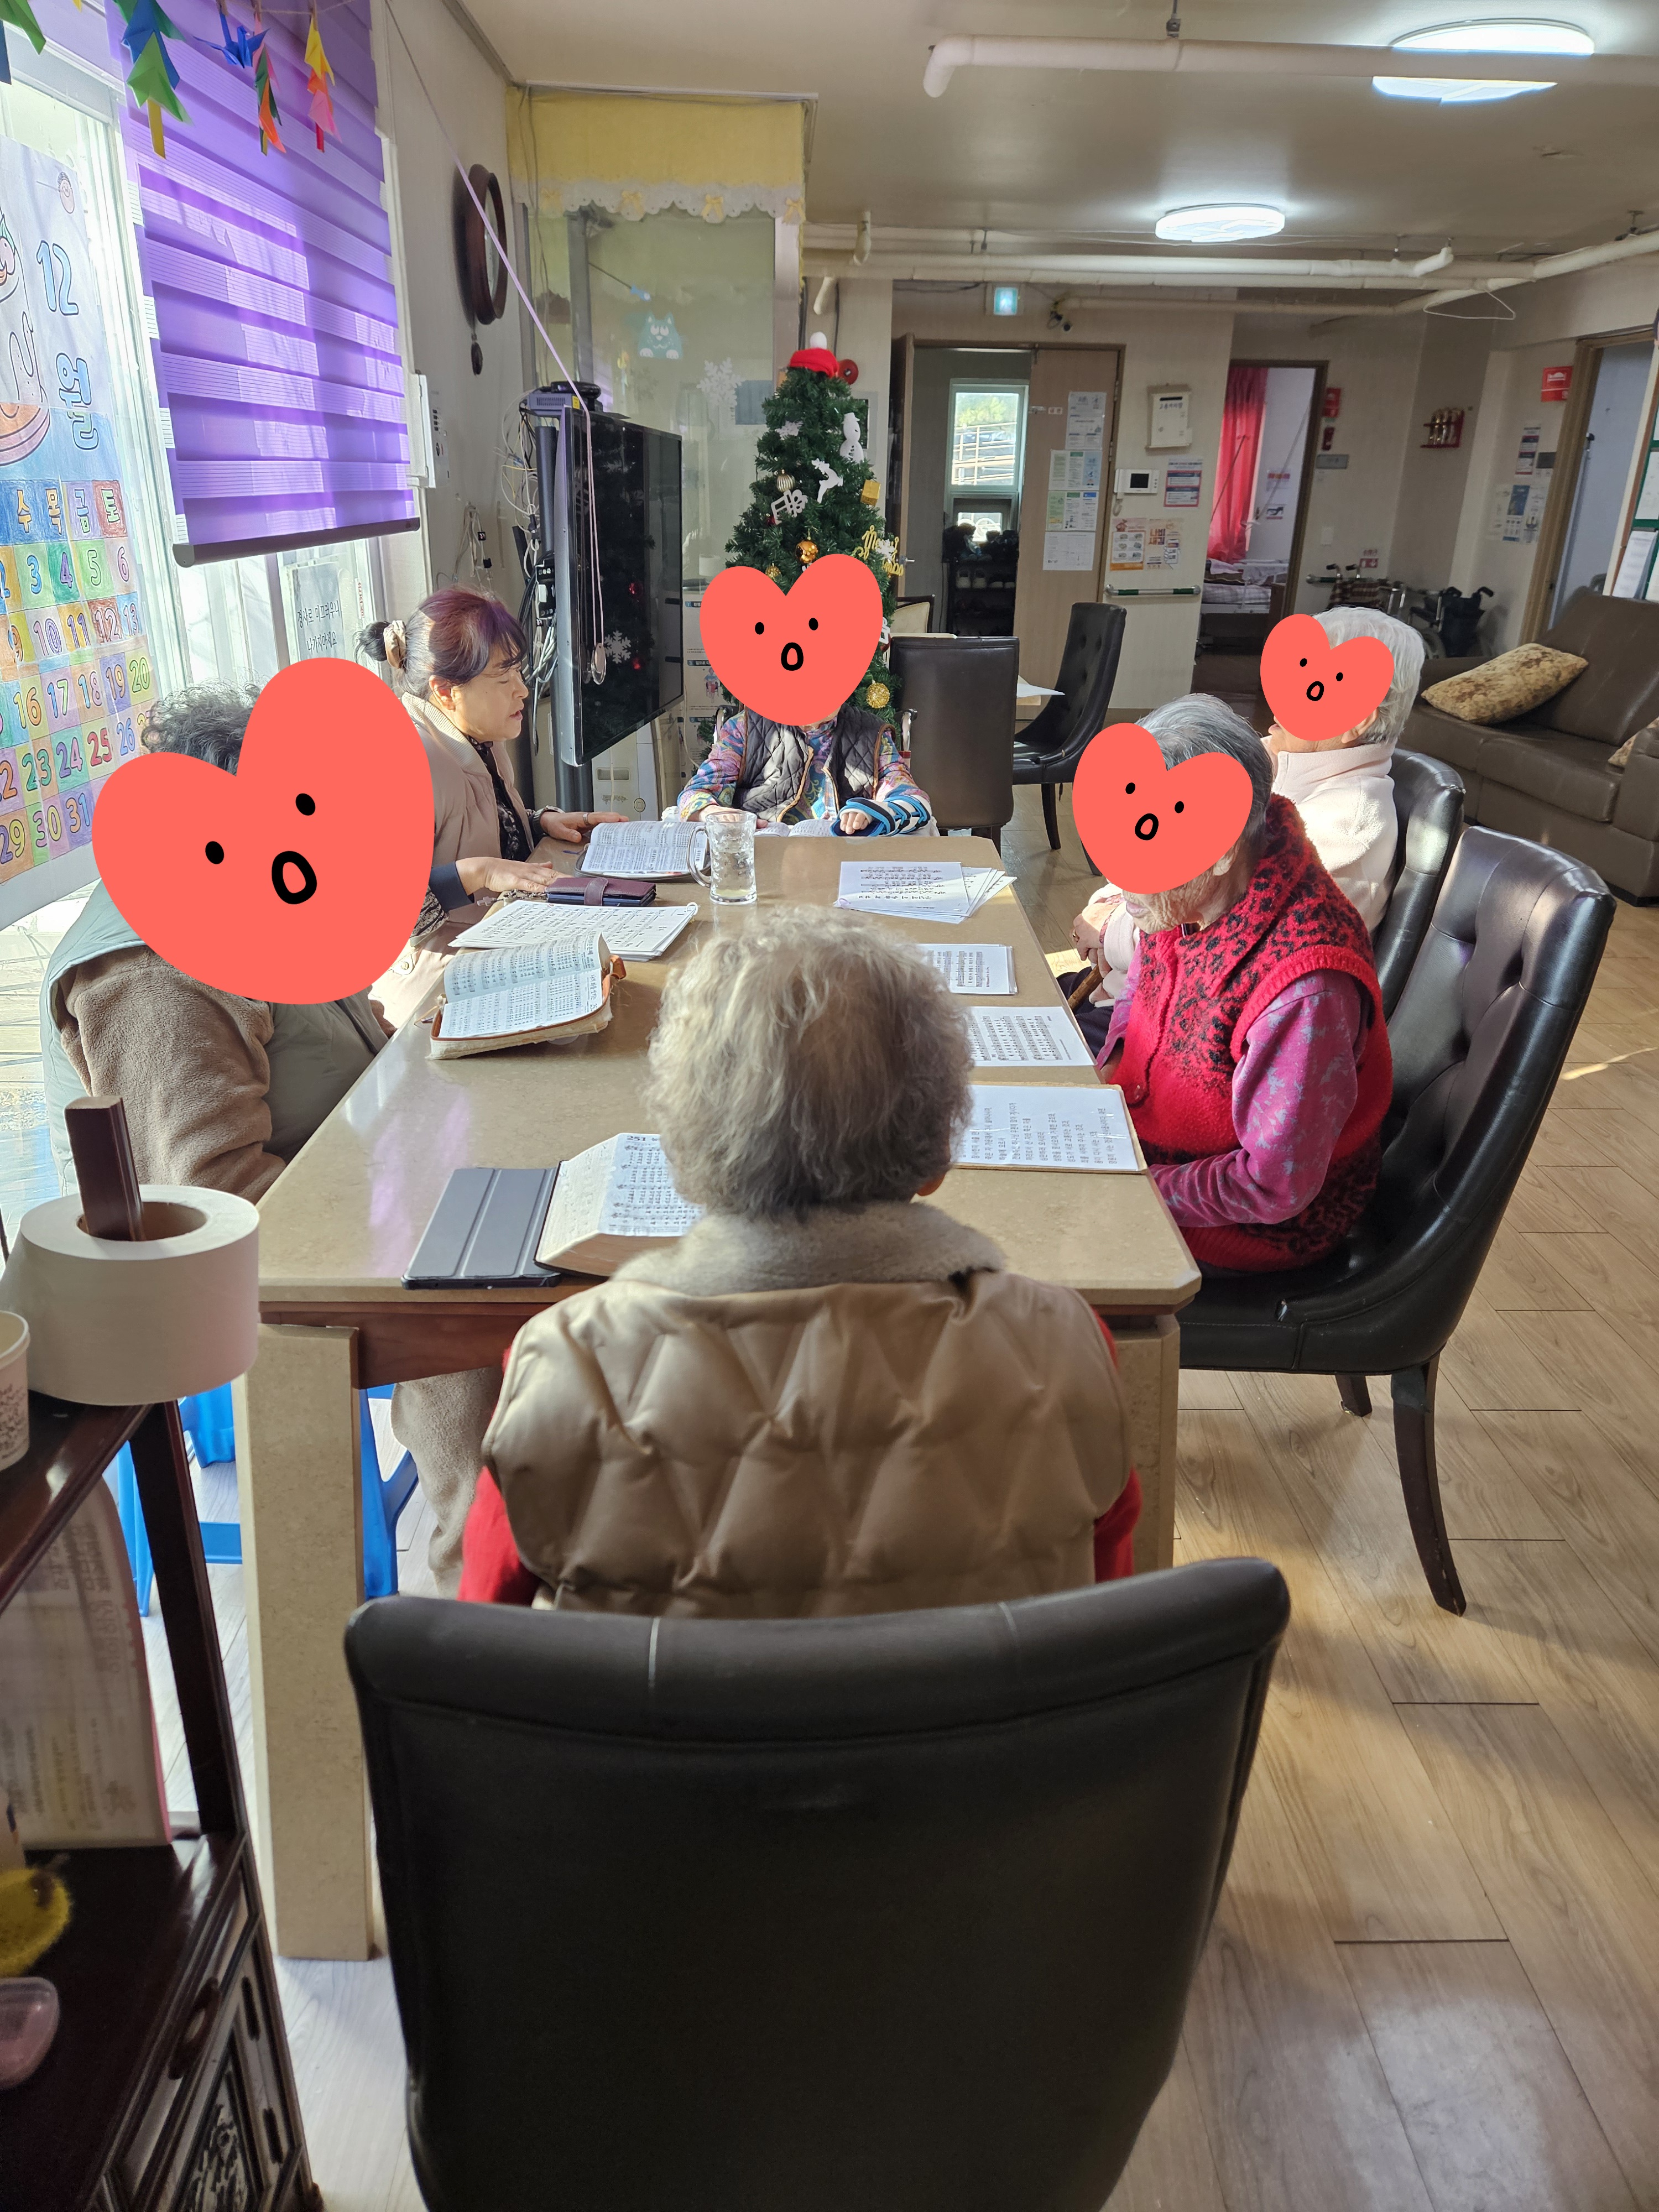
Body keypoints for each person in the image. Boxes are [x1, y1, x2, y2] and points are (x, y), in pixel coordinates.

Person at [460, 910, 1139, 1615]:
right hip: (975, 1691)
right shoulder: (1068, 1350)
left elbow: (479, 1639)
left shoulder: (562, 1371)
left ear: (685, 1152)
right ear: (939, 1148)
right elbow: (1107, 1624)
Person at [41, 684, 491, 1594]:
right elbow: (217, 1210)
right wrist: (412, 1177)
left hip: (342, 1183)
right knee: (482, 1301)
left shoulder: (248, 893)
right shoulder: (154, 972)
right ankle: (477, 1590)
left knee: (506, 1229)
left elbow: (324, 1047)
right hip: (244, 1266)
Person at [1093, 696, 1392, 1275]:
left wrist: (1132, 1185)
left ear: (1221, 850)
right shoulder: (1187, 887)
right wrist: (1106, 1077)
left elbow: (1274, 1184)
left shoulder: (1305, 989)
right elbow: (1141, 993)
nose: (1120, 876)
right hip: (1147, 1151)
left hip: (1245, 1225)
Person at [1068, 606, 1426, 1031]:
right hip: (1125, 989)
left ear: (1356, 718)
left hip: (1174, 1025)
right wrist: (1109, 903)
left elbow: (1218, 940)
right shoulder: (1269, 759)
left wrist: (1109, 930)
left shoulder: (1345, 828)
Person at [360, 588, 624, 1027]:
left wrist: (540, 822)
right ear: (446, 692)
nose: (523, 690)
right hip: (436, 996)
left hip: (489, 947)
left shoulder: (477, 736)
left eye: (518, 671)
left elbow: (477, 827)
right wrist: (478, 873)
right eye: (504, 679)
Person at [676, 692, 934, 833]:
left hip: (843, 862)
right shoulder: (743, 728)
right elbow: (695, 794)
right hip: (762, 863)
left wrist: (872, 812)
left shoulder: (872, 733)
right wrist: (712, 813)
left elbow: (914, 801)